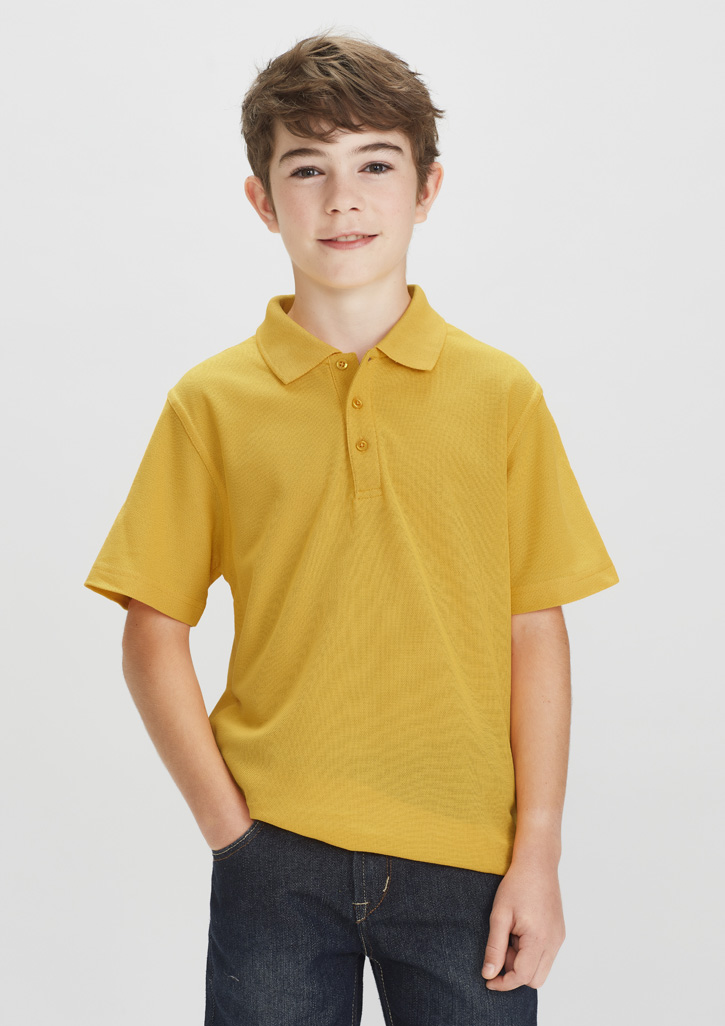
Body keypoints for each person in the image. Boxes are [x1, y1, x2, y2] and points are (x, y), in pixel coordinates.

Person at [84, 31, 619, 1026]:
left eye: (375, 164)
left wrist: (537, 852)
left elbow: (533, 627)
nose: (342, 199)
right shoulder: (211, 404)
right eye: (307, 169)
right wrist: (230, 832)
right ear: (261, 199)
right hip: (275, 854)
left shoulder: (499, 395)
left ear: (426, 188)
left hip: (467, 857)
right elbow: (151, 630)